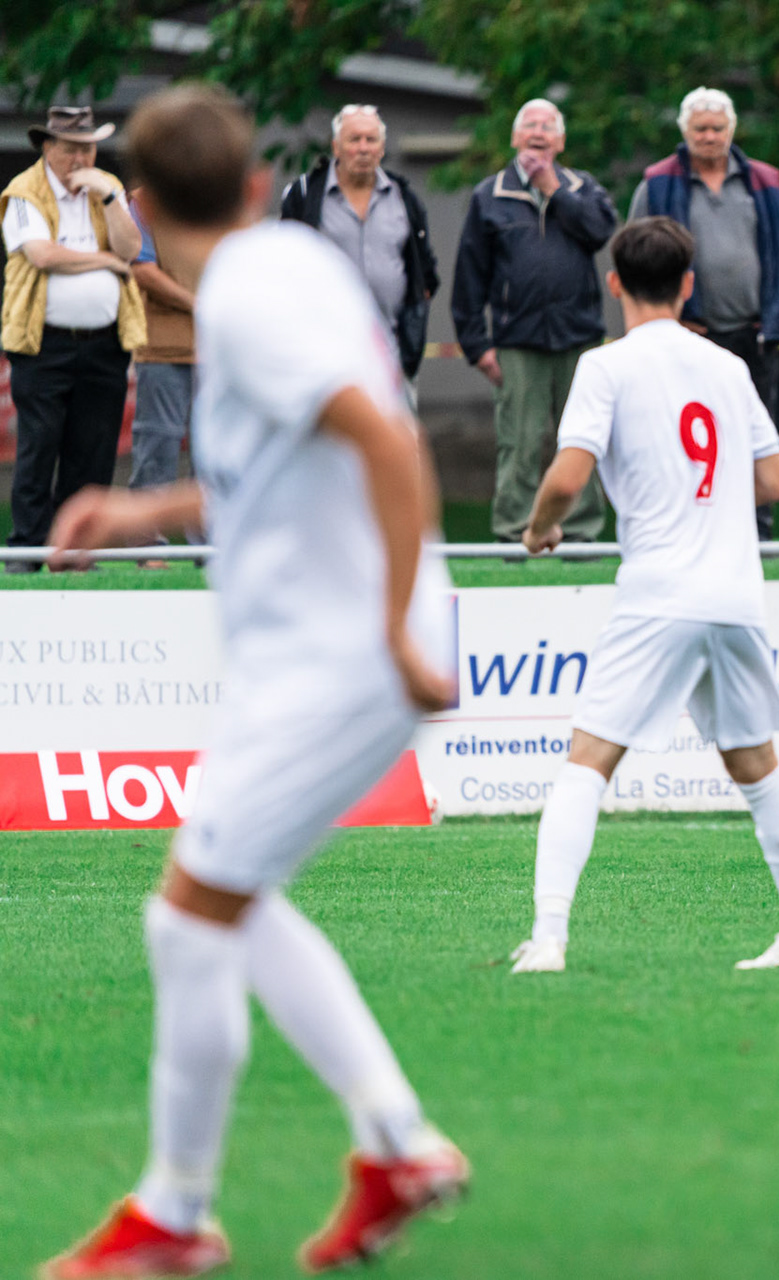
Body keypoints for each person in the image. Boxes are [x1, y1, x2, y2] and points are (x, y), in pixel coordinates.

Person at [38, 85, 469, 1277]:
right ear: (245, 186)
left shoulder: (252, 298)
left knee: (186, 920)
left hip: (346, 655)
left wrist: (394, 633)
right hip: (321, 651)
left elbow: (389, 442)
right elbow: (282, 464)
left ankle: (175, 1214)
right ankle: (395, 1141)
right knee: (230, 893)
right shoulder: (282, 267)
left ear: (141, 214)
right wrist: (147, 507)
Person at [507, 217, 779, 974]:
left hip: (661, 592)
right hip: (735, 595)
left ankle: (550, 937)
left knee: (586, 761)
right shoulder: (727, 367)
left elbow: (566, 477)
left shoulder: (607, 366)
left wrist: (538, 530)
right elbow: (776, 481)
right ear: (689, 284)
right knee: (755, 764)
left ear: (614, 281)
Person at [631, 85, 779, 540]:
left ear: (731, 130)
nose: (709, 136)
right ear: (684, 131)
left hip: (753, 333)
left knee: (755, 434)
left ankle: (758, 533)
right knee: (683, 433)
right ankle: (691, 526)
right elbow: (633, 258)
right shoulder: (658, 182)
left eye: (717, 128)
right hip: (687, 334)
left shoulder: (764, 180)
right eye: (700, 128)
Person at [451, 97, 618, 543]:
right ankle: (513, 533)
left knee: (581, 441)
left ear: (561, 141)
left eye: (548, 126)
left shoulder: (582, 188)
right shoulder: (490, 195)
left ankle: (581, 532)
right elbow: (469, 278)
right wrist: (477, 345)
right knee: (519, 446)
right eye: (529, 125)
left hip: (579, 340)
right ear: (514, 138)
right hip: (516, 342)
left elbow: (602, 231)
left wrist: (553, 190)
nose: (539, 133)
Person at [1, 105, 145, 572]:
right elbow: (41, 255)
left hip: (104, 342)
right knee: (40, 443)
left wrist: (107, 198)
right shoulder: (24, 191)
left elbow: (129, 248)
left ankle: (77, 553)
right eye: (71, 148)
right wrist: (102, 262)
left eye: (88, 146)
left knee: (94, 447)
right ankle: (27, 549)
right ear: (48, 147)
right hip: (42, 342)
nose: (81, 157)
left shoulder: (109, 188)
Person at [281, 104, 439, 393]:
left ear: (382, 148)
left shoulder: (404, 198)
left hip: (391, 354)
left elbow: (425, 271)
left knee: (396, 436)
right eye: (354, 140)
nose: (363, 148)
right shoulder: (304, 196)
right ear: (336, 147)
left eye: (371, 140)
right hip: (323, 353)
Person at [126, 191, 195, 502]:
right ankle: (148, 547)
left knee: (218, 457)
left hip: (220, 350)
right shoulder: (145, 200)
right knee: (156, 452)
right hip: (163, 347)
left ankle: (213, 548)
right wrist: (200, 305)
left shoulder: (227, 193)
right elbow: (142, 271)